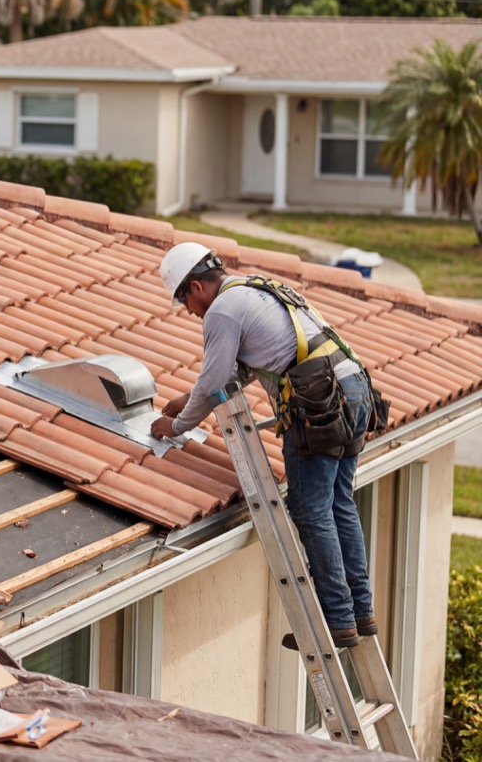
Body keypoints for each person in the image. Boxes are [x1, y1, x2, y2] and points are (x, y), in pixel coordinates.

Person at [149, 242, 377, 649]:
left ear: (197, 286)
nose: (188, 310)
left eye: (184, 300)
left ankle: (336, 620)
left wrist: (178, 425)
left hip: (319, 406)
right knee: (340, 503)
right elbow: (245, 367)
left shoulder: (220, 311)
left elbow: (218, 381)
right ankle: (360, 611)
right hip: (354, 389)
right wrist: (190, 397)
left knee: (310, 510)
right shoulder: (254, 287)